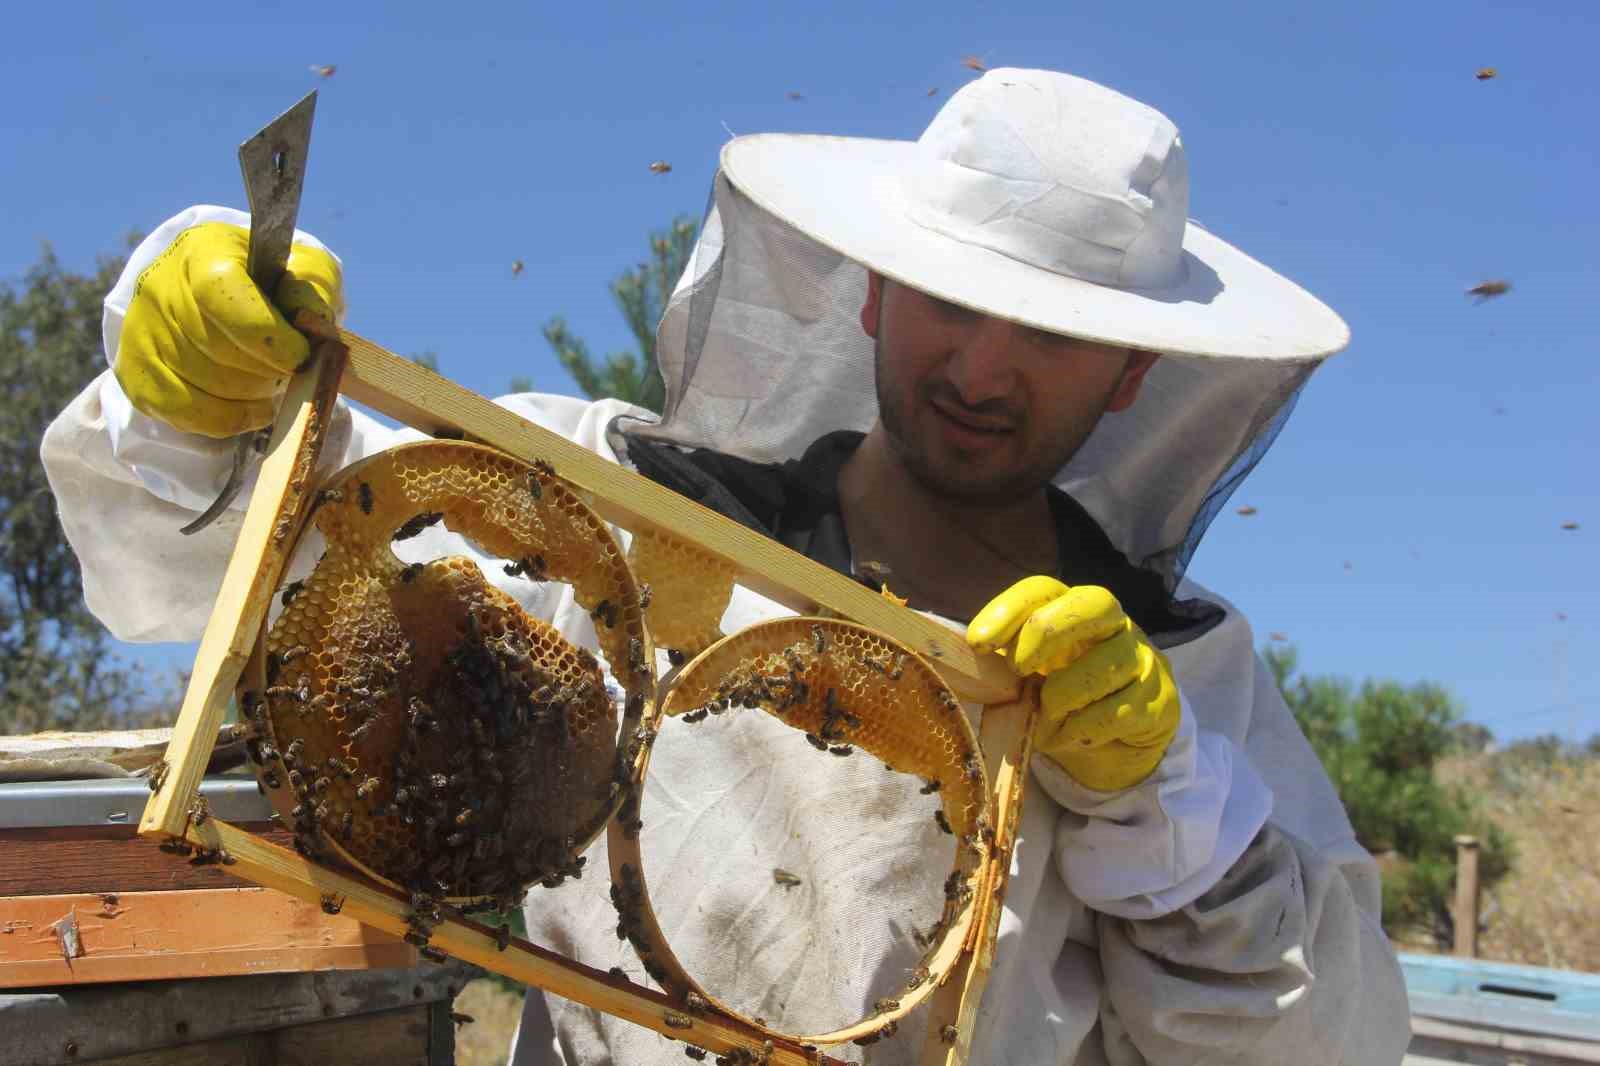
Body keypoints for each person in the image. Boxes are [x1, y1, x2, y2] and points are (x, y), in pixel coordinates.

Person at [41, 70, 1412, 1063]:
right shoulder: (627, 509)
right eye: (952, 301)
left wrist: (1167, 815)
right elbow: (208, 568)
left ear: (1130, 377)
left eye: (1051, 334)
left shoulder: (1184, 679)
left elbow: (1325, 1048)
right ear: (871, 288)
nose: (986, 370)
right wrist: (191, 401)